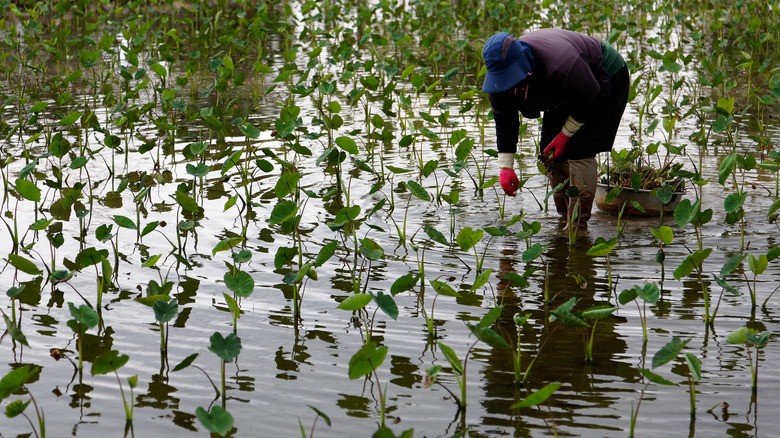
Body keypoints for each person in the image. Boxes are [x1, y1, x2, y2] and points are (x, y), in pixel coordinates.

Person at [482, 29, 629, 229]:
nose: (508, 82)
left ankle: (578, 225)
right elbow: (504, 119)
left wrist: (565, 134)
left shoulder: (561, 64)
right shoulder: (498, 84)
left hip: (602, 78)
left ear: (524, 62)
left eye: (512, 76)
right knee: (549, 152)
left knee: (579, 149)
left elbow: (591, 97)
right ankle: (564, 219)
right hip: (561, 87)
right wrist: (505, 166)